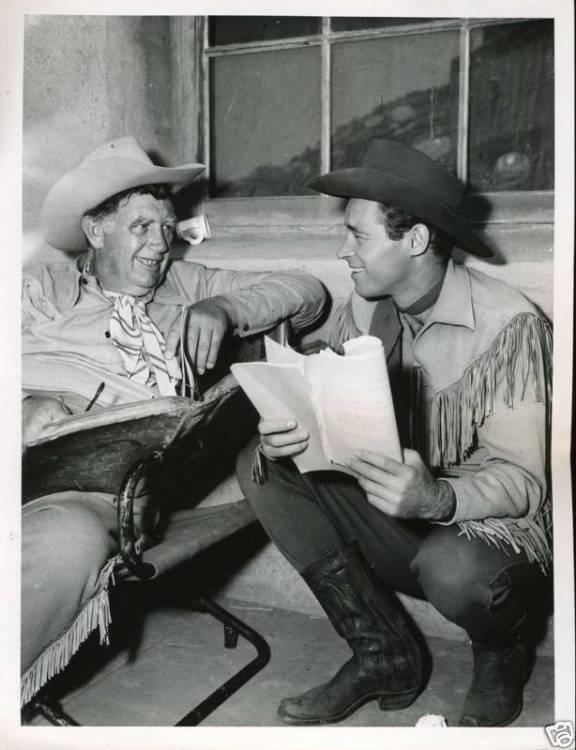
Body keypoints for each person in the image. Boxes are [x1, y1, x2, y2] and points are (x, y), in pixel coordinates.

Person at [237, 139, 552, 727]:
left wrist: (438, 499)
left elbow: (526, 484)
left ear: (415, 240)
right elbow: (331, 408)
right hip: (400, 511)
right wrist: (290, 425)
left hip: (485, 535)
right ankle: (382, 653)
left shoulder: (510, 326)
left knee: (452, 569)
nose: (344, 251)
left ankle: (502, 650)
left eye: (358, 236)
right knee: (262, 465)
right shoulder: (366, 305)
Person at [21, 136, 327, 705]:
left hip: (95, 492)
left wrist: (224, 307)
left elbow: (307, 291)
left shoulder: (186, 287)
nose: (161, 244)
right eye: (141, 227)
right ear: (95, 231)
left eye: (167, 227)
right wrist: (23, 404)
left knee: (66, 544)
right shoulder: (39, 288)